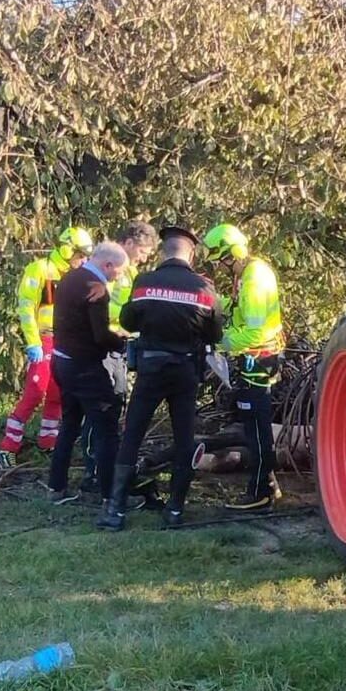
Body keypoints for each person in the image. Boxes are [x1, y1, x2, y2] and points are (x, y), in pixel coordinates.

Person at [97, 226, 223, 531]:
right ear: (191, 255)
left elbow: (128, 321)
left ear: (163, 252)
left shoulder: (145, 282)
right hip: (185, 370)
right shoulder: (204, 288)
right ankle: (175, 509)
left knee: (133, 434)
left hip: (151, 368)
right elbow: (215, 333)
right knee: (184, 437)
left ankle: (115, 511)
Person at [0, 227, 94, 469]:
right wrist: (33, 341)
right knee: (35, 391)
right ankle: (6, 448)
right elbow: (26, 307)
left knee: (58, 392)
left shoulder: (78, 275)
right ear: (68, 250)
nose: (84, 261)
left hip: (66, 340)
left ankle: (48, 440)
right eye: (81, 255)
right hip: (43, 338)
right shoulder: (39, 269)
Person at [202, 223, 285, 512]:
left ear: (233, 253)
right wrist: (214, 301)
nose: (222, 266)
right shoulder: (247, 274)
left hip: (258, 360)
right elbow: (240, 310)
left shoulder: (254, 280)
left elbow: (254, 332)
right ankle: (269, 485)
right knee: (252, 425)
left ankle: (261, 492)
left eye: (223, 260)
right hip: (253, 360)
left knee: (256, 428)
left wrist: (218, 341)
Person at [78, 221, 157, 502]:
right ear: (130, 243)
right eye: (143, 251)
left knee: (116, 405)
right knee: (100, 408)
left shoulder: (131, 272)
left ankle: (108, 465)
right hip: (104, 345)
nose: (144, 258)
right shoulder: (106, 269)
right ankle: (93, 471)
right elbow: (99, 307)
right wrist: (125, 319)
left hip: (121, 346)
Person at [46, 242, 129, 505]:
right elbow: (100, 336)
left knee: (70, 425)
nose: (118, 277)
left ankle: (56, 487)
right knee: (107, 429)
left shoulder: (69, 278)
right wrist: (122, 343)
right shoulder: (96, 288)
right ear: (108, 265)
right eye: (119, 271)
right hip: (85, 367)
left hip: (61, 361)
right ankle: (110, 495)